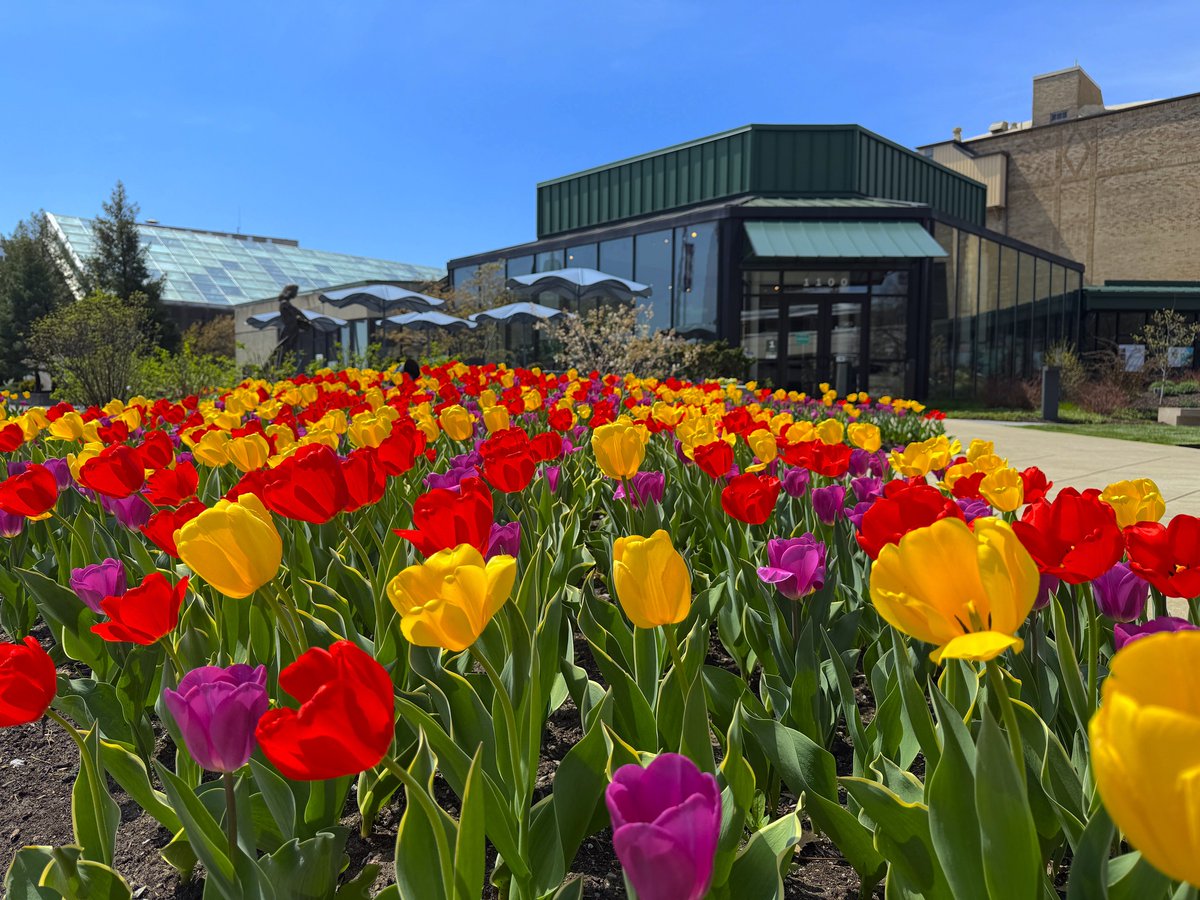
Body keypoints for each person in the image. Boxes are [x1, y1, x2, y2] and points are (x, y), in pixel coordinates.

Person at [274, 285, 309, 369]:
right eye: (295, 292)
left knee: (289, 354)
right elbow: (295, 316)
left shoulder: (287, 304)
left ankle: (284, 368)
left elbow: (298, 315)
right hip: (289, 332)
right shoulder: (285, 304)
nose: (296, 294)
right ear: (290, 292)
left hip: (292, 331)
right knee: (284, 353)